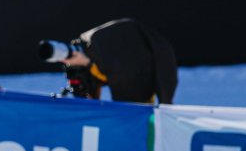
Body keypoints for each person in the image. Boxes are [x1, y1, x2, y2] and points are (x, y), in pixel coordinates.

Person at [38, 18, 178, 104]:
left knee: (134, 115)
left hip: (138, 60)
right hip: (133, 50)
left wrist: (87, 63)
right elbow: (88, 98)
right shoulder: (89, 45)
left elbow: (117, 77)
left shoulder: (112, 57)